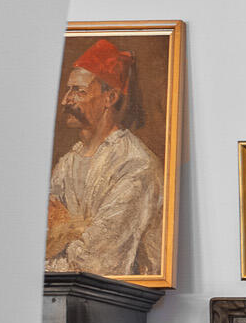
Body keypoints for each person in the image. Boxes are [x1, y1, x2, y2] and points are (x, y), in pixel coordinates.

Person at [45, 38, 163, 276]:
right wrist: (77, 234)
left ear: (110, 98)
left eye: (78, 91)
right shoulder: (68, 162)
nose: (66, 100)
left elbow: (99, 262)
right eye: (68, 90)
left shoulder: (135, 165)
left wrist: (66, 234)